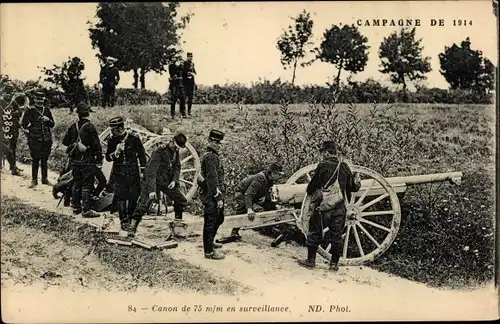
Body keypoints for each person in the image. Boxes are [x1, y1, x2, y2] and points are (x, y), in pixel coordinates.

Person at [297, 141, 361, 271]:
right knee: (336, 236)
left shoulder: (323, 165)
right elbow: (352, 188)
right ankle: (334, 264)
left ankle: (310, 261)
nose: (323, 155)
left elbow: (313, 186)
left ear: (326, 152)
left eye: (323, 152)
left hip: (323, 207)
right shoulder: (344, 167)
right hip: (339, 208)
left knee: (315, 232)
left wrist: (310, 191)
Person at [129, 133, 189, 236]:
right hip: (153, 181)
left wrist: (174, 180)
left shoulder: (175, 151)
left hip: (166, 182)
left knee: (181, 200)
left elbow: (177, 167)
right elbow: (151, 172)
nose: (176, 148)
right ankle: (132, 227)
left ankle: (177, 226)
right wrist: (152, 190)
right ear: (172, 141)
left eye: (178, 147)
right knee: (144, 204)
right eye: (175, 146)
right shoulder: (159, 151)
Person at [222, 163, 285, 242]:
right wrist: (249, 209)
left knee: (269, 207)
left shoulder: (270, 180)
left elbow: (267, 193)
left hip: (253, 195)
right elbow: (248, 194)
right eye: (279, 174)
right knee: (244, 209)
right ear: (273, 173)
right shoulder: (260, 178)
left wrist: (274, 205)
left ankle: (270, 229)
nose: (280, 176)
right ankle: (234, 233)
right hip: (241, 194)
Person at [105, 116, 147, 231]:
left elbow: (142, 155)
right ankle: (123, 221)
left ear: (119, 129)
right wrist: (116, 152)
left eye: (113, 129)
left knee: (134, 196)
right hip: (119, 173)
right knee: (120, 197)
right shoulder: (112, 140)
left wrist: (143, 171)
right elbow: (108, 158)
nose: (111, 132)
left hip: (133, 173)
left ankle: (130, 218)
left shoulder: (134, 138)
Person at [61, 102, 102, 218]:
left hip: (74, 161)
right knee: (87, 184)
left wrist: (75, 144)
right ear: (88, 113)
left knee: (77, 182)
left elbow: (65, 142)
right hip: (86, 160)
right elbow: (96, 145)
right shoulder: (90, 127)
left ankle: (76, 207)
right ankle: (86, 210)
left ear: (78, 114)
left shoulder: (73, 126)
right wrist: (99, 158)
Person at [198, 129, 226, 260]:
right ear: (211, 142)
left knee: (219, 218)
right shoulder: (210, 157)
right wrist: (218, 197)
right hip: (211, 194)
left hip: (213, 192)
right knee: (211, 221)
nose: (219, 145)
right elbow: (212, 179)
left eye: (220, 143)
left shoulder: (212, 155)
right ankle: (208, 252)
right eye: (217, 143)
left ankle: (211, 242)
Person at [21, 91, 55, 188]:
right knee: (35, 159)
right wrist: (30, 134)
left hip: (47, 139)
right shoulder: (30, 111)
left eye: (41, 99)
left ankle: (44, 179)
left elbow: (52, 124)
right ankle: (34, 180)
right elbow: (24, 125)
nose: (39, 101)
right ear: (34, 99)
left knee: (45, 159)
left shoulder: (47, 110)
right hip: (35, 139)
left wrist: (47, 120)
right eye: (38, 99)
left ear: (43, 100)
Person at [0, 82, 24, 176]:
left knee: (13, 146)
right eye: (7, 92)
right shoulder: (1, 102)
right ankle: (11, 166)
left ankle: (12, 166)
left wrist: (10, 114)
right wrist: (11, 115)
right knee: (4, 147)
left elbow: (19, 113)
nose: (8, 94)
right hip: (3, 127)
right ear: (3, 93)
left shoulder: (13, 103)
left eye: (10, 93)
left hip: (13, 128)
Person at [182, 52, 197, 117]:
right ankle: (183, 112)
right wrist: (189, 73)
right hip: (186, 83)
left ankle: (189, 111)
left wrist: (193, 73)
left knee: (190, 98)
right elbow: (184, 72)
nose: (191, 58)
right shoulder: (185, 63)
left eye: (192, 56)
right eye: (190, 56)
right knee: (184, 97)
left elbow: (195, 72)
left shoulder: (192, 64)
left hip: (191, 82)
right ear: (187, 57)